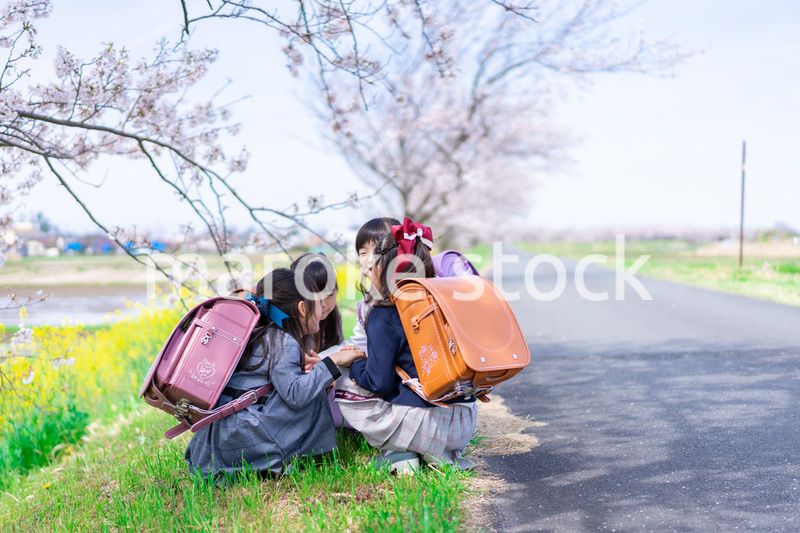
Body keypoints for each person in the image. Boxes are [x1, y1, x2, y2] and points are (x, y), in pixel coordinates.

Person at [184, 268, 365, 481]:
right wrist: (332, 362)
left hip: (217, 437)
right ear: (302, 308)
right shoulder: (282, 341)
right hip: (242, 436)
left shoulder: (257, 332)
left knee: (313, 380)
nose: (323, 307)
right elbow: (296, 396)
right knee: (312, 394)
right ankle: (287, 459)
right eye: (316, 302)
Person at [338, 217, 477, 473]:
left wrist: (356, 364)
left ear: (384, 269)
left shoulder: (383, 313)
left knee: (343, 376)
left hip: (425, 425)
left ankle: (400, 452)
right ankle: (440, 454)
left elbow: (379, 382)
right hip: (464, 422)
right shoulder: (441, 300)